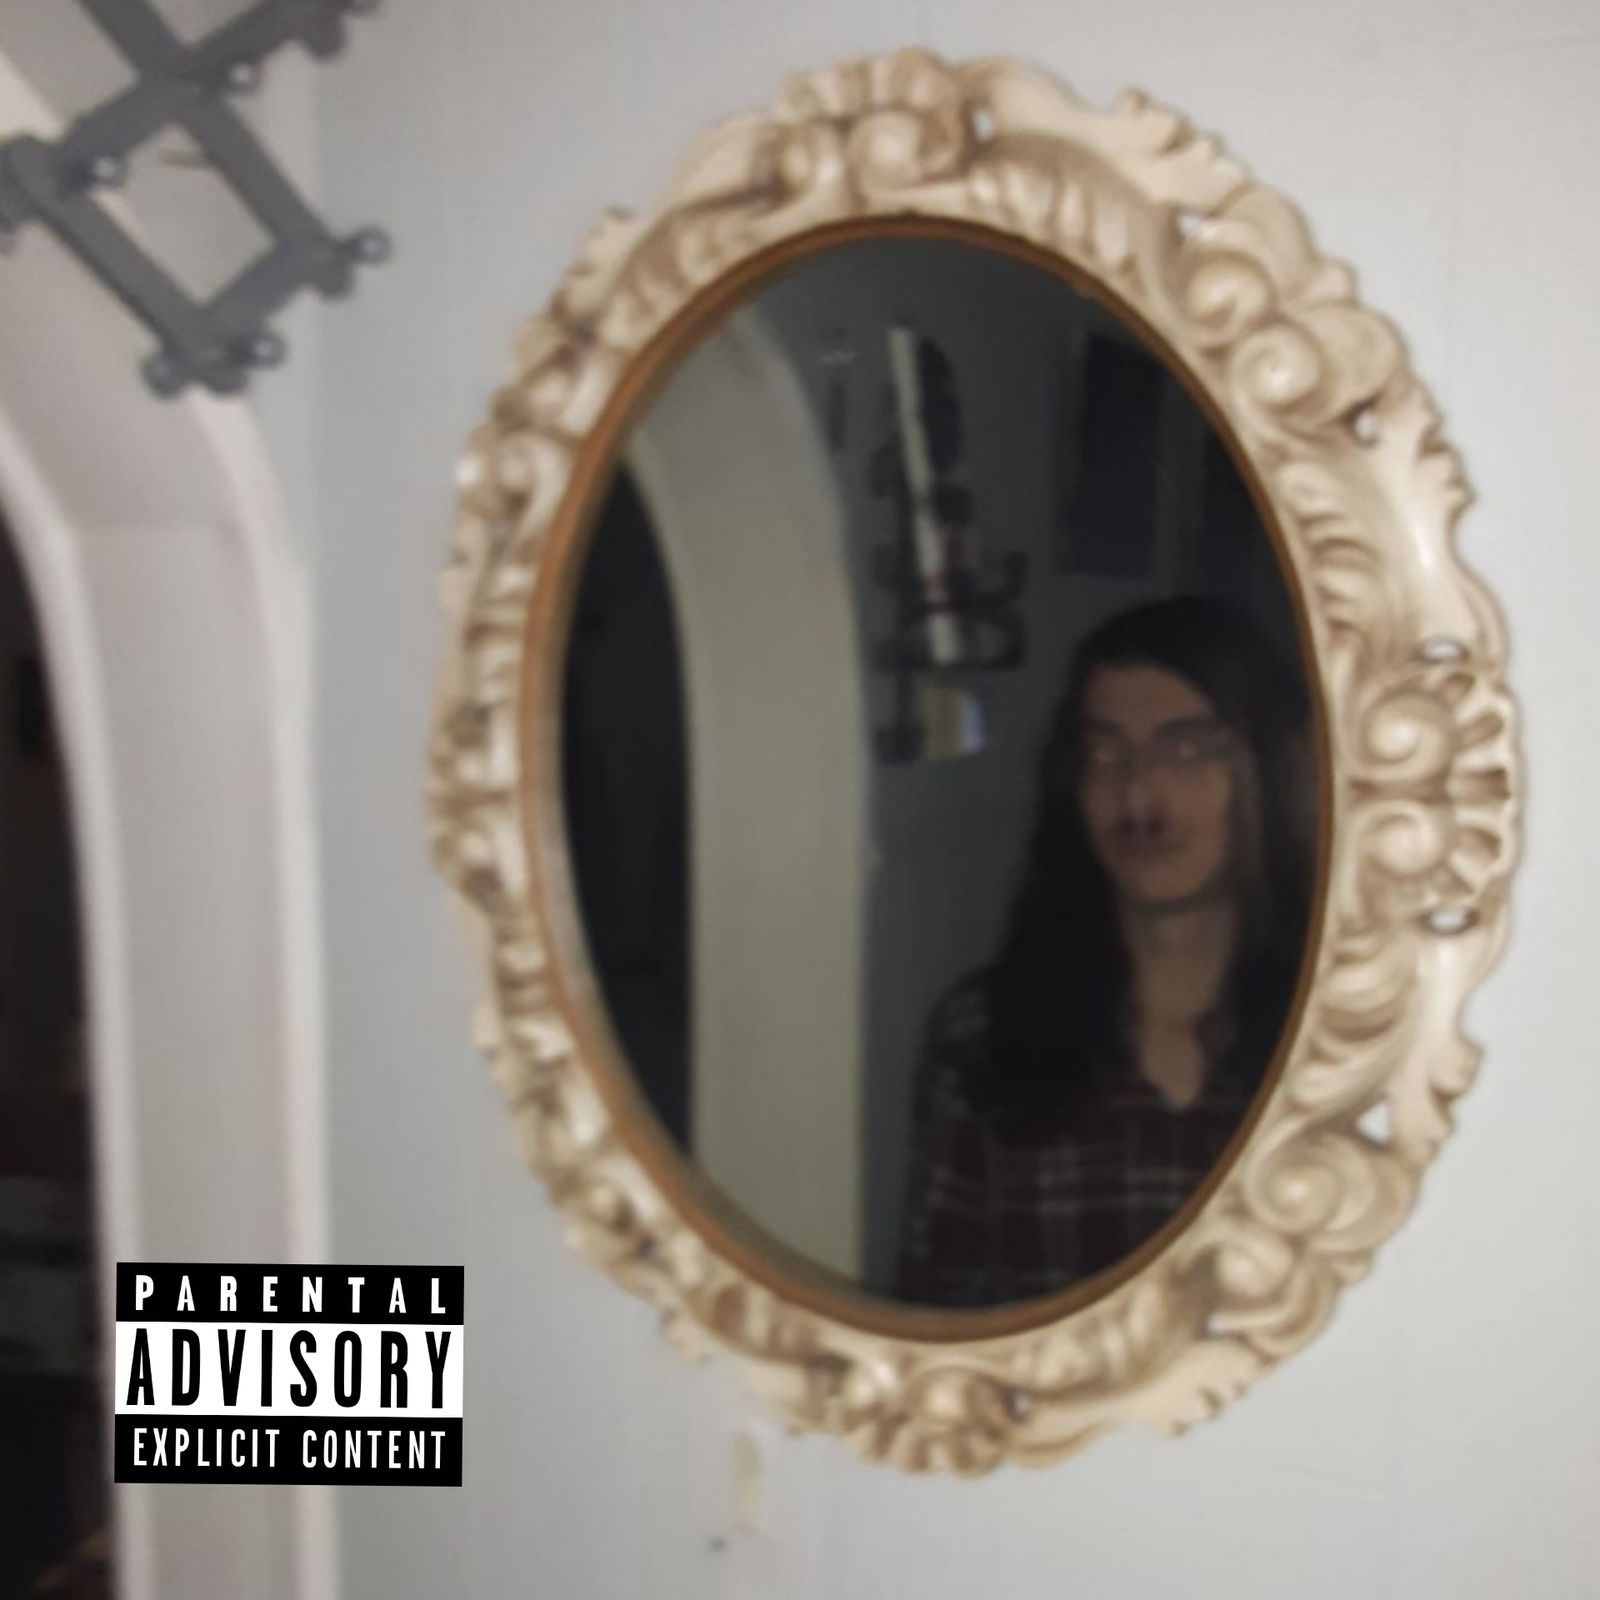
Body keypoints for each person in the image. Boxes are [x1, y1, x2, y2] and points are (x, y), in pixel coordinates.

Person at [894, 595, 1315, 1307]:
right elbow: (937, 1313)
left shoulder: (1334, 1026)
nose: (1139, 793)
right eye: (1105, 754)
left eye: (1186, 750)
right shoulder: (981, 1037)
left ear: (1266, 774)